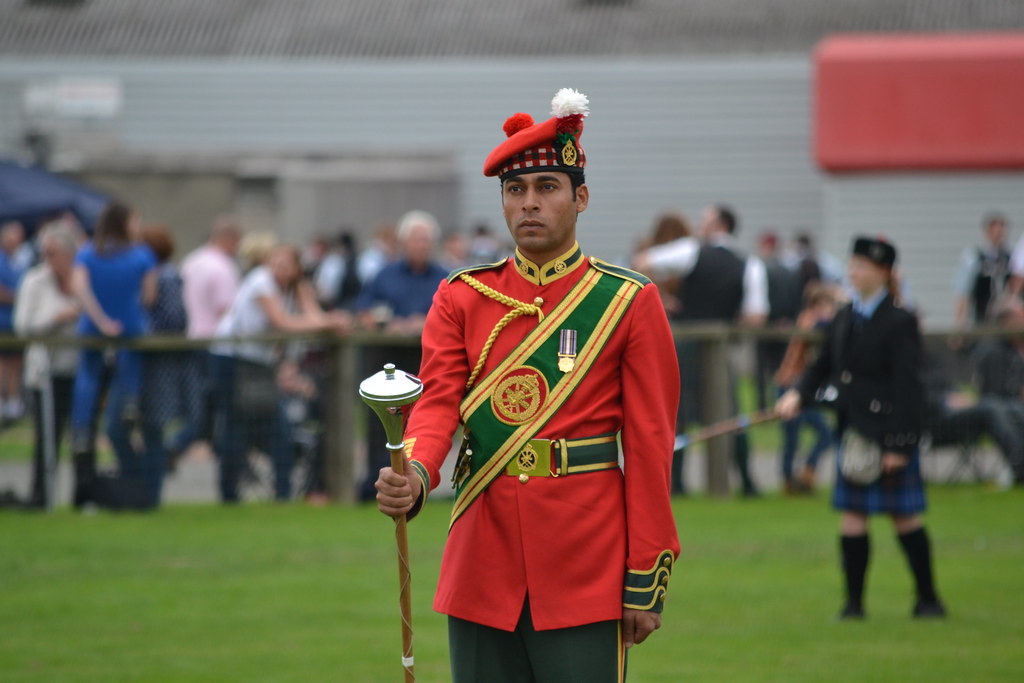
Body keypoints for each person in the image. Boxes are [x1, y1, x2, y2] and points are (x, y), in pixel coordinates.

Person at [374, 88, 680, 682]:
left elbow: (649, 443)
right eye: (516, 190)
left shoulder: (627, 301)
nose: (529, 204)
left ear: (580, 197)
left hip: (585, 559)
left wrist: (645, 573)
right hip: (482, 555)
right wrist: (415, 474)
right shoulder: (463, 295)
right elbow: (438, 403)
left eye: (547, 188)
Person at [776, 236, 946, 620]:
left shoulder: (900, 320)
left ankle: (928, 599)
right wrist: (797, 395)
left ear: (884, 273)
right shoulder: (845, 315)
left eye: (862, 267)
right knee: (853, 516)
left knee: (905, 517)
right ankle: (853, 605)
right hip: (854, 432)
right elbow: (823, 365)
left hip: (887, 434)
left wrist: (900, 446)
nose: (854, 272)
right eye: (852, 266)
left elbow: (908, 387)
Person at [633, 203, 767, 497]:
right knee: (730, 413)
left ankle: (677, 484)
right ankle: (746, 481)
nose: (700, 225)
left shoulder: (692, 250)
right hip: (723, 351)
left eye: (706, 220)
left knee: (677, 412)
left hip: (686, 345)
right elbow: (756, 317)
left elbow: (642, 262)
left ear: (719, 225)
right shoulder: (751, 265)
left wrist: (663, 298)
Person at [209, 244, 351, 503]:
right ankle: (230, 496)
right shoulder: (260, 282)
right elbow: (282, 322)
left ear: (297, 268)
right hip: (231, 359)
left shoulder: (297, 287)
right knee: (234, 428)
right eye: (275, 262)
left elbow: (313, 316)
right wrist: (331, 322)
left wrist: (326, 319)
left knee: (277, 426)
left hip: (260, 364)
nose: (279, 268)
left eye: (286, 264)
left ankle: (282, 493)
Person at [354, 210, 450, 501]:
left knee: (424, 422)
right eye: (415, 239)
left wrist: (425, 323)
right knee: (380, 425)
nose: (421, 245)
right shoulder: (385, 274)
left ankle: (419, 481)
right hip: (388, 362)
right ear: (403, 242)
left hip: (426, 363)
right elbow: (364, 311)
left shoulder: (444, 276)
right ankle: (375, 482)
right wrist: (388, 323)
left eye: (425, 240)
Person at [70, 201, 158, 510]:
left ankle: (81, 427)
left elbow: (79, 288)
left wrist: (100, 320)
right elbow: (149, 295)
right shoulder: (141, 255)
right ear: (125, 222)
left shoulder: (86, 252)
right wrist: (120, 317)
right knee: (131, 362)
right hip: (130, 325)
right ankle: (130, 403)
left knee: (88, 374)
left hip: (93, 326)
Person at [13, 225, 82, 509]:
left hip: (77, 368)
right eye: (45, 252)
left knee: (79, 435)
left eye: (53, 253)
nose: (47, 258)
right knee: (46, 437)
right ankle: (41, 495)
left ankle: (83, 496)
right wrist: (57, 318)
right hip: (44, 372)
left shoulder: (81, 279)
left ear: (69, 254)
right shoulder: (34, 281)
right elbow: (22, 327)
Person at [773, 282, 838, 494]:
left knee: (823, 433)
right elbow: (823, 327)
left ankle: (805, 473)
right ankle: (789, 481)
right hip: (789, 386)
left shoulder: (811, 319)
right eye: (827, 304)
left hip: (800, 387)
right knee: (792, 436)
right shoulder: (809, 319)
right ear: (816, 304)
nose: (830, 309)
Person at [952, 213, 1012, 329]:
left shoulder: (1011, 257)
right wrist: (959, 324)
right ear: (987, 232)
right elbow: (962, 292)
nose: (999, 236)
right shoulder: (974, 257)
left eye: (1002, 232)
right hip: (982, 318)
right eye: (996, 231)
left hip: (1008, 321)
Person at [0, 220, 30, 422]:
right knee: (2, 363)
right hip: (2, 322)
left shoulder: (19, 261)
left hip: (17, 322)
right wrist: (19, 298)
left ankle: (13, 402)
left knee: (15, 363)